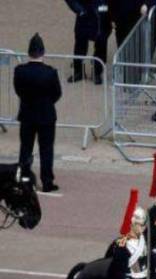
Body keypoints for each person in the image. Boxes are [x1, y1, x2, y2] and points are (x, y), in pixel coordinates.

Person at [14, 35, 62, 194]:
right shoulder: (50, 72)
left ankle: (24, 179)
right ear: (43, 52)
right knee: (46, 149)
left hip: (27, 114)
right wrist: (47, 103)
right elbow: (57, 93)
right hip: (46, 115)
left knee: (26, 148)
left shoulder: (20, 71)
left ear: (29, 52)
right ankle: (47, 181)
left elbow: (18, 91)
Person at [65, 0, 110, 84]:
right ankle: (78, 71)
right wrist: (79, 10)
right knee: (79, 45)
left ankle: (97, 73)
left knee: (101, 45)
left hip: (101, 17)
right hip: (84, 16)